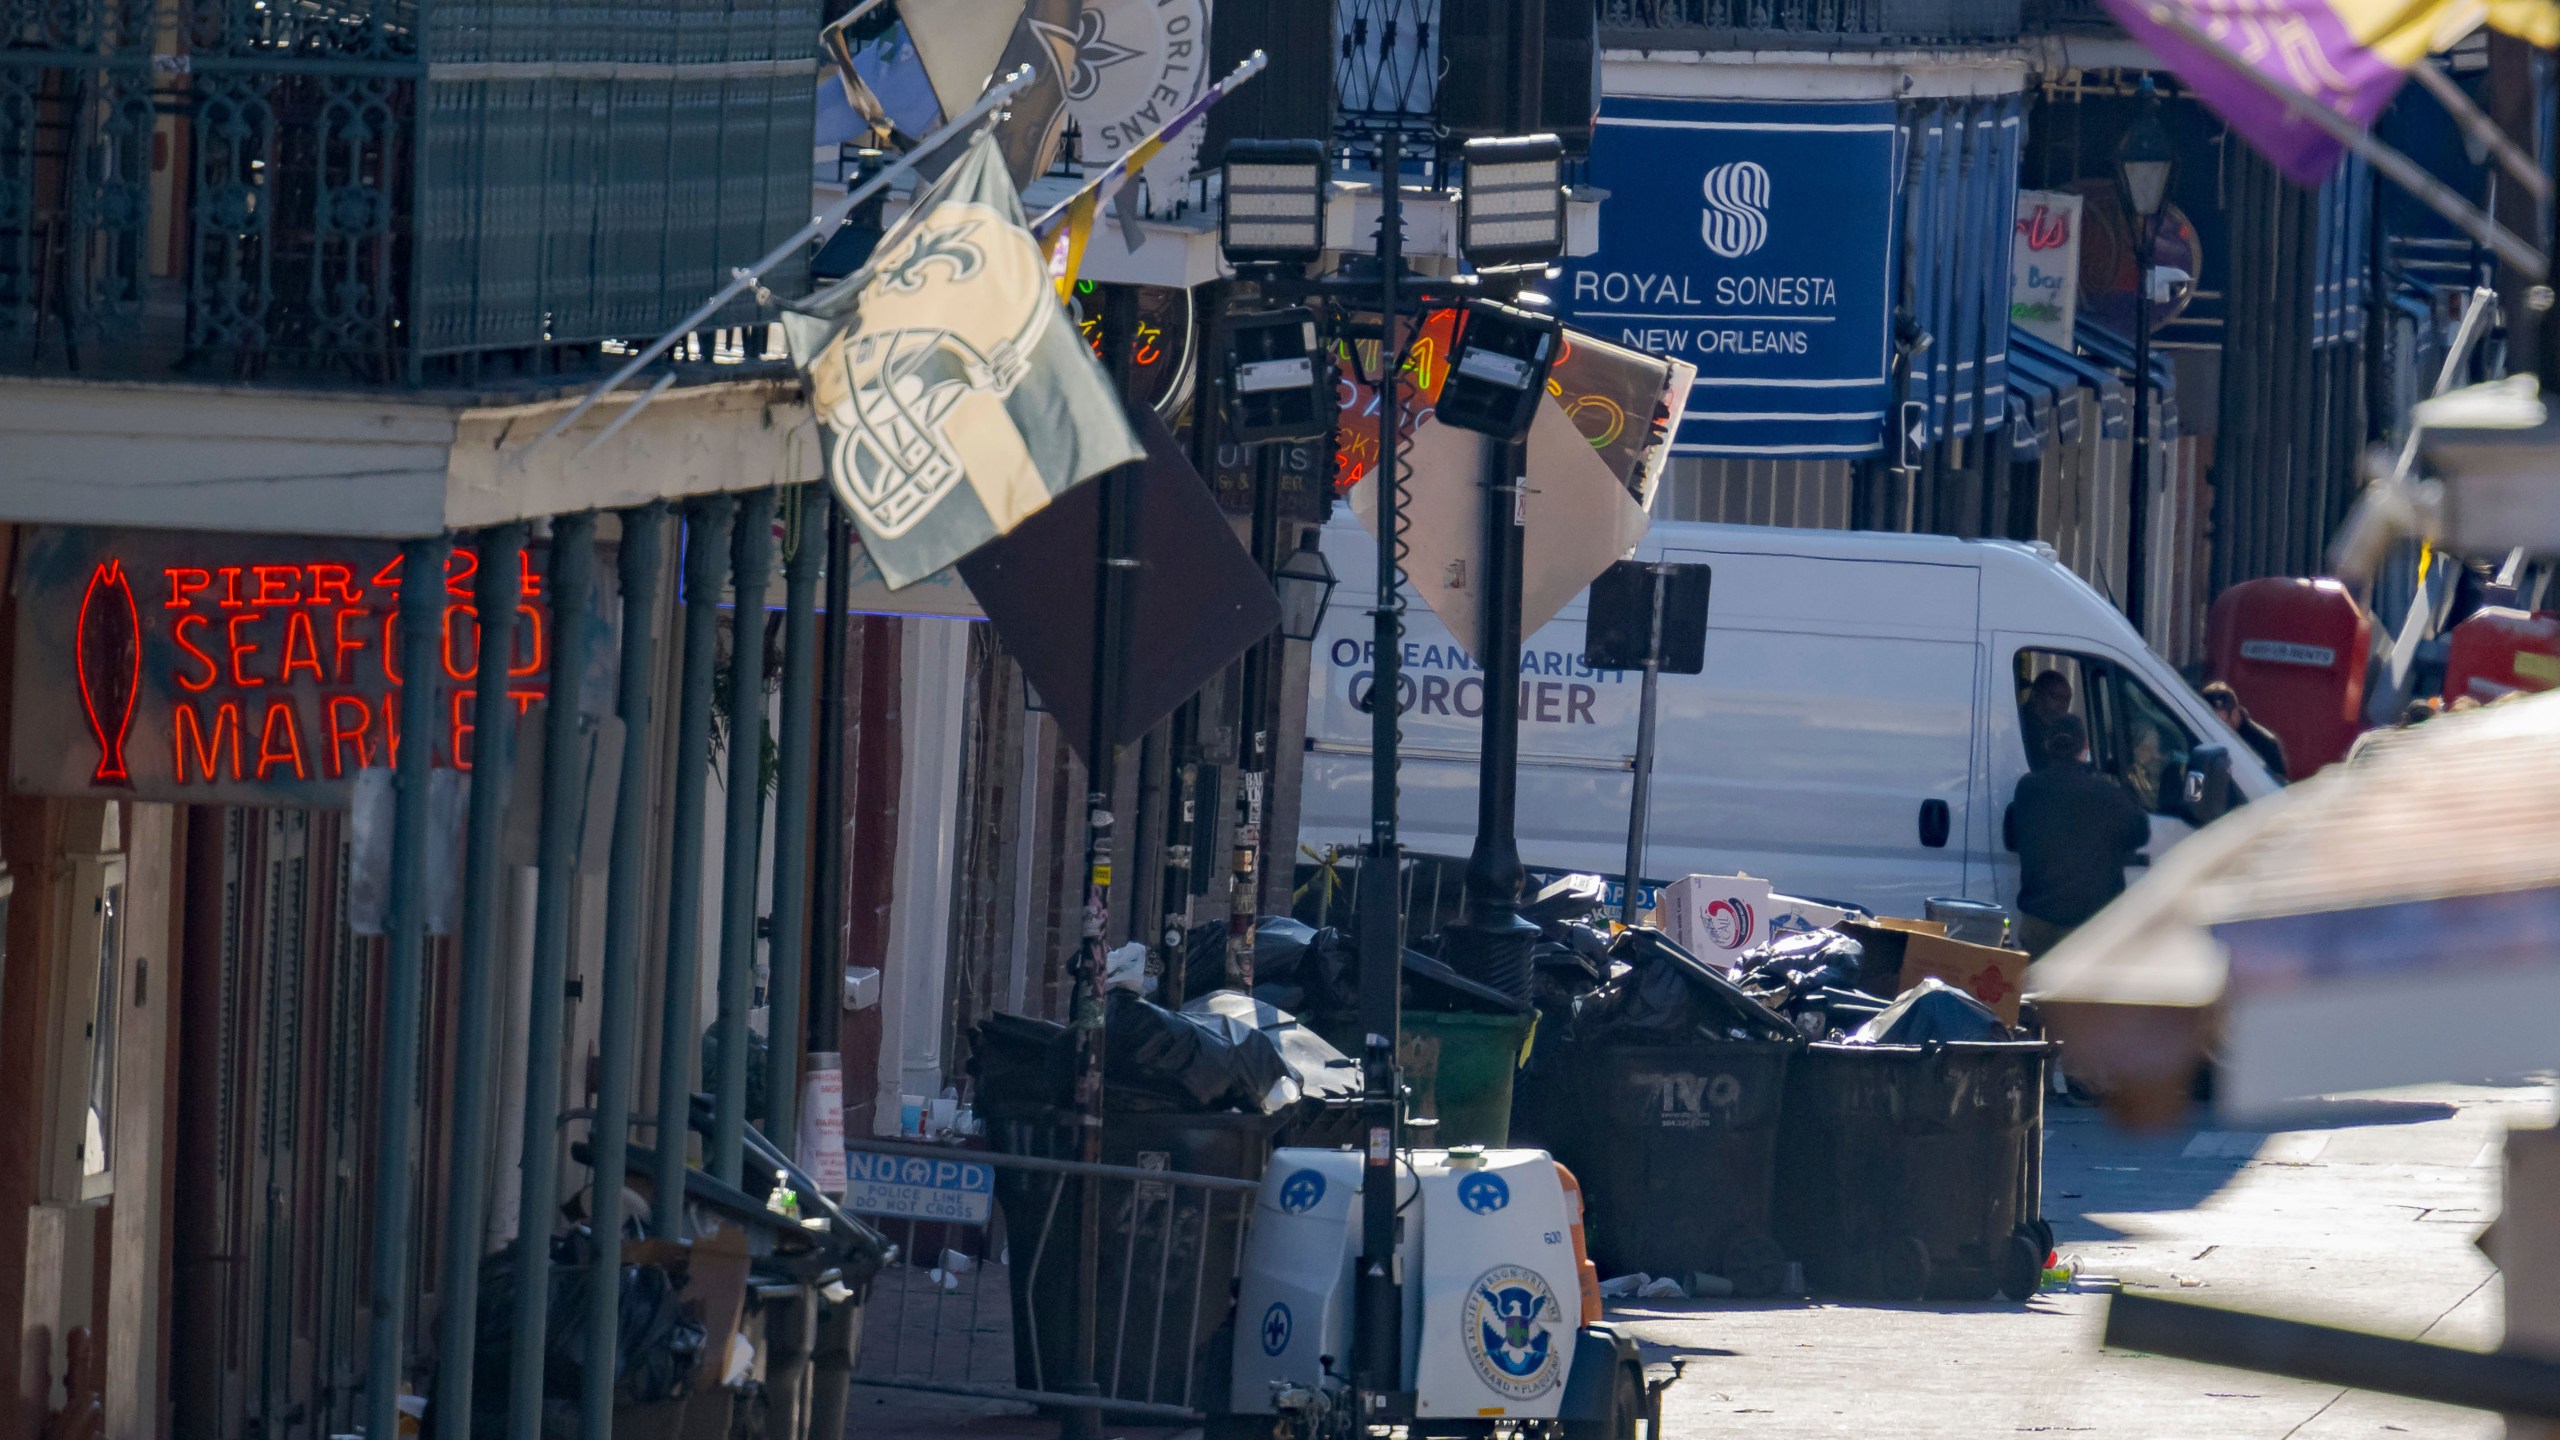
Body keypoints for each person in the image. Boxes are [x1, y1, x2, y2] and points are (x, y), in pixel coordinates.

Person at [2005, 714, 2152, 957]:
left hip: (2036, 925)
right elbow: (2139, 832)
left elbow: (2012, 836)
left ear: (2047, 745)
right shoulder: (2106, 793)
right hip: (2087, 929)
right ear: (2085, 747)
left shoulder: (2027, 788)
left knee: (2034, 993)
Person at [2201, 681, 2288, 780]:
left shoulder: (2265, 744)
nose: (2213, 727)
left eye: (2220, 722)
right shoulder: (2198, 735)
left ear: (2234, 715)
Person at [2021, 669, 2076, 770]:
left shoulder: (2067, 729)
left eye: (2066, 699)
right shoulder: (2022, 726)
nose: (2062, 704)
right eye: (2055, 697)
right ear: (2036, 696)